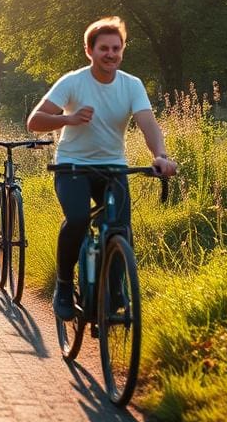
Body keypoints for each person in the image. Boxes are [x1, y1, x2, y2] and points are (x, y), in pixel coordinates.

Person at [26, 17, 178, 320]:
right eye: (104, 48)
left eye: (116, 48)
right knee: (79, 218)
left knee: (120, 227)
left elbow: (148, 124)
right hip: (72, 166)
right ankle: (65, 285)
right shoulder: (72, 82)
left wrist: (161, 155)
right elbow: (35, 121)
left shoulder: (131, 85)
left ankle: (117, 288)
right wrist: (66, 119)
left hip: (113, 168)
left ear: (122, 51)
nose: (111, 54)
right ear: (89, 50)